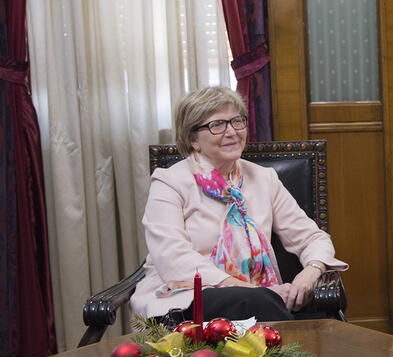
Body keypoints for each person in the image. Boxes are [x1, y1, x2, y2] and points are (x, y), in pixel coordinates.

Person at [130, 86, 348, 323]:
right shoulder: (169, 182)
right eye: (217, 125)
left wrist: (310, 273)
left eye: (237, 121)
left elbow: (312, 238)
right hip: (187, 300)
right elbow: (173, 258)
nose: (232, 132)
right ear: (193, 139)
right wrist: (252, 291)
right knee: (252, 302)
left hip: (262, 302)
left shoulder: (264, 178)